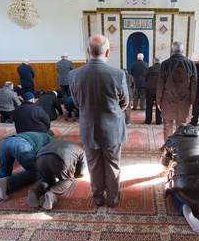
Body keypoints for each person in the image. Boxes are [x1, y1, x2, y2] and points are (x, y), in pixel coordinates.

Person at [69, 34, 128, 208]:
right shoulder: (118, 74)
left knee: (93, 164)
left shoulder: (74, 74)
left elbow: (77, 103)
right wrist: (112, 112)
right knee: (112, 164)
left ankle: (97, 196)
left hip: (88, 127)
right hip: (113, 128)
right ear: (108, 52)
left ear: (88, 51)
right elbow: (125, 103)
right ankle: (113, 199)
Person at [0, 132, 54, 200]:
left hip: (5, 143)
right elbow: (49, 157)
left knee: (5, 168)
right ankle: (6, 182)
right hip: (20, 144)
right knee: (36, 172)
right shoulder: (51, 141)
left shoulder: (37, 135)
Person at [156, 41, 197, 142]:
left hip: (168, 100)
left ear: (171, 51)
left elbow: (160, 84)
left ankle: (168, 149)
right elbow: (194, 85)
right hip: (184, 101)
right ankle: (180, 149)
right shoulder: (190, 64)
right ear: (182, 51)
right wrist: (191, 101)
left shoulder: (165, 64)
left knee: (167, 126)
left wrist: (158, 101)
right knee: (182, 127)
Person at [28, 140, 87, 210]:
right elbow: (83, 171)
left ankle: (35, 190)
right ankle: (52, 194)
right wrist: (73, 174)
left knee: (47, 178)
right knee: (66, 180)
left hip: (40, 157)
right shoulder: (82, 151)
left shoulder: (60, 143)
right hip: (61, 157)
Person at [144, 57, 162, 125]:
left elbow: (145, 79)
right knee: (159, 106)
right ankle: (158, 121)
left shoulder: (150, 68)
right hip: (159, 90)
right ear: (160, 62)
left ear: (154, 62)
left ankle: (148, 121)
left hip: (150, 89)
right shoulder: (163, 68)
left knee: (149, 106)